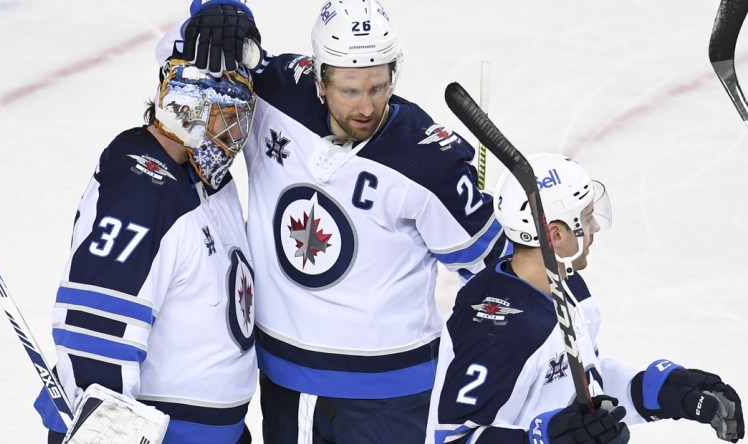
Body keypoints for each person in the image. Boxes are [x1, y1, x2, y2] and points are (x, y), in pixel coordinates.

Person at [159, 0, 510, 441]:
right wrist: (217, 11)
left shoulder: (428, 161)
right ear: (320, 79)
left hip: (391, 396)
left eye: (378, 87)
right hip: (285, 380)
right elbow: (182, 58)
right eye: (350, 90)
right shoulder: (273, 92)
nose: (367, 106)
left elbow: (500, 272)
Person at [428, 153, 745, 443]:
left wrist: (654, 391)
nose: (595, 226)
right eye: (587, 216)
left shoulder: (571, 287)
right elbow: (454, 439)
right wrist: (542, 440)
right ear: (556, 234)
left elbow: (578, 385)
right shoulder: (494, 328)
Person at [32, 58, 259, 443]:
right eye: (226, 116)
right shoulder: (141, 192)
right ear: (186, 112)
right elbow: (97, 337)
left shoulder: (203, 179)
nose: (235, 134)